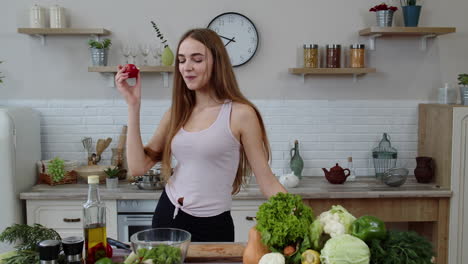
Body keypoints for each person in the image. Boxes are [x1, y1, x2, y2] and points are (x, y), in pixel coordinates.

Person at [115, 28, 287, 242]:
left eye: (197, 59)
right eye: (181, 60)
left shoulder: (240, 114)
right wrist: (133, 105)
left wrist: (298, 215)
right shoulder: (177, 113)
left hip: (214, 225)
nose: (186, 68)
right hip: (169, 215)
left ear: (217, 63)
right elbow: (137, 167)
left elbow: (267, 181)